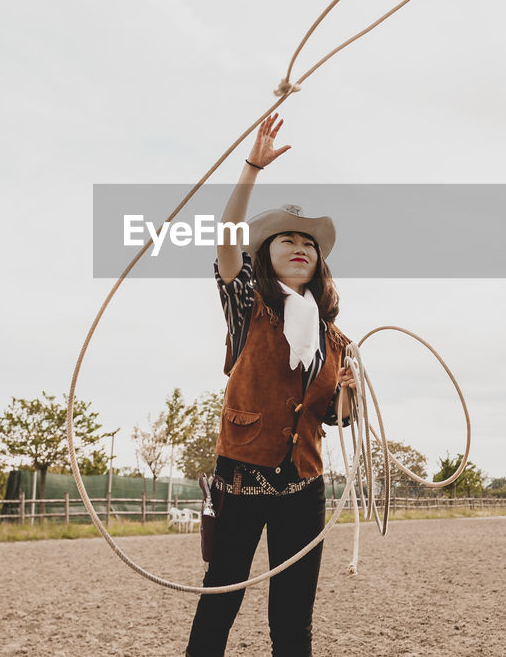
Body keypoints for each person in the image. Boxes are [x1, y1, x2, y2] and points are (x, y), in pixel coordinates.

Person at [185, 112, 358, 657]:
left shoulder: (334, 338)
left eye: (308, 243)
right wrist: (251, 169)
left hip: (303, 488)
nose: (299, 247)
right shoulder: (247, 306)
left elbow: (335, 416)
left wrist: (349, 391)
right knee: (220, 601)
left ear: (319, 262)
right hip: (241, 479)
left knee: (293, 617)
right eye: (286, 239)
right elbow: (225, 246)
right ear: (266, 253)